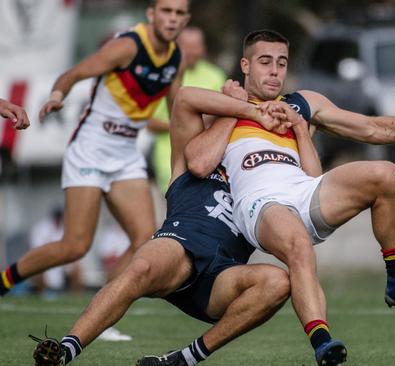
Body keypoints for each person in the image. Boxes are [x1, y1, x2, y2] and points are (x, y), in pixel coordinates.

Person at [177, 29, 395, 365]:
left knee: (386, 175)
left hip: (303, 191)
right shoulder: (227, 104)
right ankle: (322, 340)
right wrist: (234, 107)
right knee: (297, 245)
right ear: (245, 65)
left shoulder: (302, 104)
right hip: (259, 203)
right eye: (265, 62)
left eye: (281, 62)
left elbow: (372, 128)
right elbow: (200, 162)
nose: (275, 70)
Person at [30, 87, 293, 366]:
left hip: (222, 276)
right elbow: (184, 98)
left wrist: (298, 126)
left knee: (277, 282)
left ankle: (183, 359)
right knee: (140, 267)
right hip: (180, 245)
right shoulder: (193, 151)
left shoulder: (265, 173)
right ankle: (65, 351)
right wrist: (239, 107)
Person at [0, 0, 190, 297]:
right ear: (151, 14)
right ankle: (5, 280)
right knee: (75, 246)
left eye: (179, 13)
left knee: (144, 239)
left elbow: (178, 111)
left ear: (186, 19)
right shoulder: (128, 46)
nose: (172, 19)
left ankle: (102, 310)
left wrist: (187, 152)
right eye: (166, 11)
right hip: (91, 147)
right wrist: (56, 95)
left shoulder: (177, 58)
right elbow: (74, 73)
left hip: (126, 153)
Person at [148, 26, 227, 193]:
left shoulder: (216, 75)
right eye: (186, 46)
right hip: (169, 158)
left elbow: (223, 113)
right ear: (176, 47)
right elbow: (149, 121)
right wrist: (186, 125)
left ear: (203, 49)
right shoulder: (164, 75)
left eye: (195, 46)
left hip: (207, 156)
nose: (191, 52)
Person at [29, 207, 83, 296]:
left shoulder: (65, 228)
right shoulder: (41, 228)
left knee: (77, 268)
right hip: (45, 260)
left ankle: (76, 296)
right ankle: (41, 294)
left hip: (61, 261)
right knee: (39, 269)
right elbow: (37, 250)